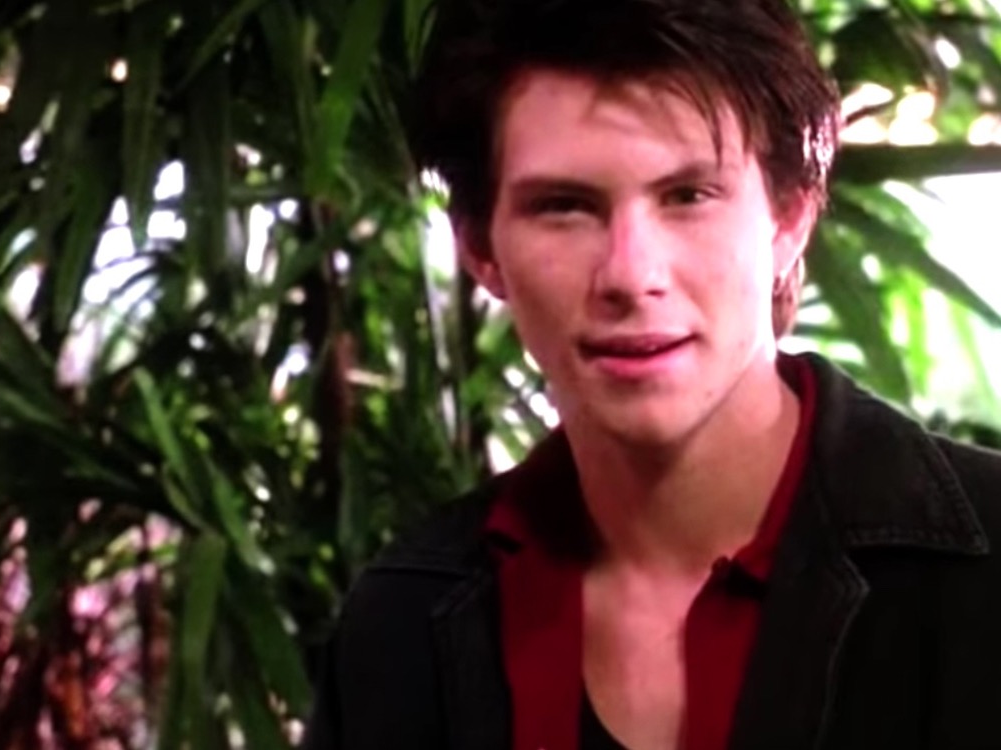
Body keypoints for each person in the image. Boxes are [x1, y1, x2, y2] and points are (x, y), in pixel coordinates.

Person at [303, 0, 1001, 748]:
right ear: (480, 248)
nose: (632, 276)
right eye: (564, 206)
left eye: (688, 196)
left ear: (789, 218)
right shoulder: (401, 623)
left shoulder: (982, 576)